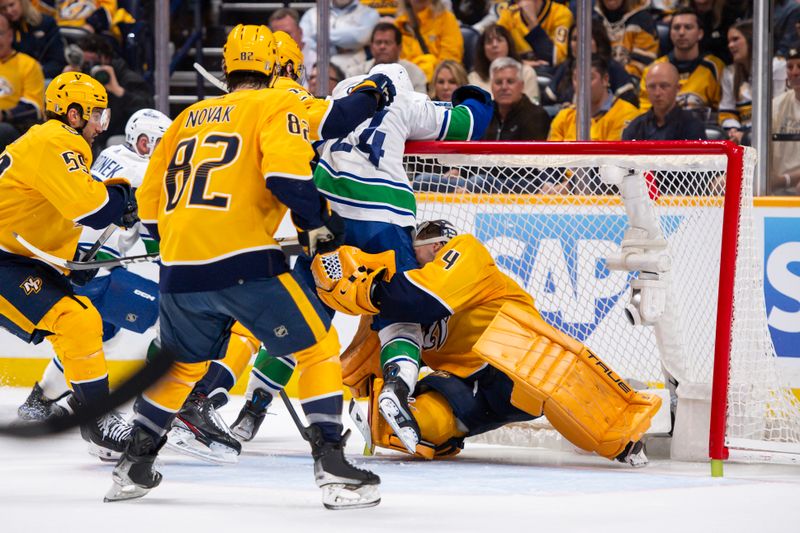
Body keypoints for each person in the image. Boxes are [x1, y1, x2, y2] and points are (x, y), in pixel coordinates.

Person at [109, 24, 389, 509]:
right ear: (274, 69)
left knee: (180, 369)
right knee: (318, 348)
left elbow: (150, 208)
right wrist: (317, 224)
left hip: (178, 271)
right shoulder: (275, 104)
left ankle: (134, 464)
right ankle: (332, 465)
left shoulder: (184, 118)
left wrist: (180, 249)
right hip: (243, 264)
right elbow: (285, 175)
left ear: (226, 67)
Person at [225, 64, 492, 448]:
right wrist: (473, 94)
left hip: (331, 221)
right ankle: (398, 389)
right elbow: (469, 123)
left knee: (299, 320)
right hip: (384, 222)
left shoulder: (336, 101)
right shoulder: (409, 101)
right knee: (401, 320)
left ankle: (253, 408)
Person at [311, 220, 660, 465]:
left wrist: (364, 289)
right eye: (424, 240)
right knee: (414, 426)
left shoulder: (466, 251)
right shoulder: (397, 303)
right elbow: (364, 360)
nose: (431, 245)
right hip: (468, 388)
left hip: (520, 365)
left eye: (434, 239)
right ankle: (411, 427)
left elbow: (421, 298)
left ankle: (623, 436)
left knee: (558, 383)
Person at [0, 72, 138, 460]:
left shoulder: (49, 142)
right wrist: (122, 200)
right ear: (74, 114)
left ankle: (81, 410)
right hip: (6, 261)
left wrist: (71, 258)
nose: (100, 125)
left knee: (79, 323)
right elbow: (89, 207)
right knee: (77, 320)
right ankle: (96, 419)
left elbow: (50, 210)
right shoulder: (56, 140)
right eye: (96, 115)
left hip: (18, 259)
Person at [16, 108, 170, 426]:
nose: (160, 150)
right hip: (92, 268)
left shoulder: (111, 154)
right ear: (142, 140)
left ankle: (40, 399)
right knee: (166, 317)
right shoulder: (139, 170)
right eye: (156, 142)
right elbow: (150, 224)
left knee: (103, 337)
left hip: (83, 264)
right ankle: (166, 405)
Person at [547, 56, 640, 194]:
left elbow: (613, 166)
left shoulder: (626, 113)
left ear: (605, 80)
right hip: (561, 192)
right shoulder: (564, 116)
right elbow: (549, 160)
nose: (582, 84)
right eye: (577, 78)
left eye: (590, 78)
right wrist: (549, 183)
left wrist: (571, 186)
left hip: (607, 196)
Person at [63, 33, 154, 152]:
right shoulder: (82, 78)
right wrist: (65, 84)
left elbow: (147, 110)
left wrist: (118, 91)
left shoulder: (126, 77)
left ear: (106, 58)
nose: (88, 68)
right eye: (84, 64)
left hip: (115, 134)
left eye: (92, 63)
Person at [638, 8, 725, 118]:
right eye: (676, 28)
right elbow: (645, 113)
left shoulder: (715, 67)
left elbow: (723, 112)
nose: (681, 32)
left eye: (688, 27)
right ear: (670, 33)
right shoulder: (653, 70)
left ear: (700, 34)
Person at [720, 20, 787, 146]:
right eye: (729, 41)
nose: (730, 45)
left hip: (772, 138)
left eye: (735, 39)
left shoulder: (777, 66)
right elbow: (727, 111)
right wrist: (734, 130)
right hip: (740, 137)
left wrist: (746, 133)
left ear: (752, 39)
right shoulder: (729, 73)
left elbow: (780, 110)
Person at [542, 22, 637, 108]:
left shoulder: (613, 68)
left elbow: (629, 104)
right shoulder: (566, 66)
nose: (579, 44)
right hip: (566, 121)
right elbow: (546, 101)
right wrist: (563, 108)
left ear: (599, 43)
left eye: (585, 39)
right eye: (575, 39)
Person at [623, 62, 706, 142]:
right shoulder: (635, 128)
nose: (657, 93)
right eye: (652, 87)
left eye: (664, 86)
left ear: (678, 88)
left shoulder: (692, 126)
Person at [300, 0, 379, 78]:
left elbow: (360, 38)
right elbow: (304, 41)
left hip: (355, 74)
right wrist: (334, 49)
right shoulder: (311, 13)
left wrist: (319, 34)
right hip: (318, 75)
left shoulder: (369, 13)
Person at [0, 12, 43, 150]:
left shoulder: (29, 65)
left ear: (10, 35)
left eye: (0, 33)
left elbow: (34, 108)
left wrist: (4, 115)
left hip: (13, 128)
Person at [468, 23, 540, 104]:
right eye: (489, 42)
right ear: (483, 49)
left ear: (508, 45)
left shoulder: (526, 72)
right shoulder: (474, 77)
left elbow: (533, 107)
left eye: (499, 40)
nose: (494, 45)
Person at [395, 0, 463, 81]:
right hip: (405, 81)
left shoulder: (447, 19)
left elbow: (450, 59)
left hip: (437, 82)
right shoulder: (398, 25)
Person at [483, 57, 550, 141]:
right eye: (498, 82)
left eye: (510, 81)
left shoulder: (537, 116)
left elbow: (532, 153)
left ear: (521, 86)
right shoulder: (483, 114)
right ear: (491, 87)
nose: (504, 87)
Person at [493, 0, 573, 68]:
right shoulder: (509, 13)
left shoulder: (561, 13)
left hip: (548, 75)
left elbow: (556, 60)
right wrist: (522, 63)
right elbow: (494, 54)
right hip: (517, 70)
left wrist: (533, 24)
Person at [593, 0, 659, 82]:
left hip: (633, 84)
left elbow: (641, 66)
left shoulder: (643, 20)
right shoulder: (594, 19)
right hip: (598, 83)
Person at [1, 0, 65, 79]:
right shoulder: (3, 30)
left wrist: (36, 70)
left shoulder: (46, 23)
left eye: (12, 5)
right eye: (3, 8)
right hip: (9, 78)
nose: (9, 11)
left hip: (42, 76)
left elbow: (58, 62)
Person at [360, 22, 427, 93]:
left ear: (399, 47)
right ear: (371, 47)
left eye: (387, 42)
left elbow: (420, 102)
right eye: (378, 42)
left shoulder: (414, 73)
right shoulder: (356, 72)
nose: (382, 46)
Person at [771, 47, 800, 195]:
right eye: (790, 67)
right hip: (776, 188)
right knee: (720, 183)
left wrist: (785, 180)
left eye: (799, 66)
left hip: (789, 184)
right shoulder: (776, 105)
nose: (795, 72)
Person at [269, 7, 314, 85]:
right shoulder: (267, 61)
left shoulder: (317, 60)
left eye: (287, 33)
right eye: (277, 35)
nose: (283, 39)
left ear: (300, 31)